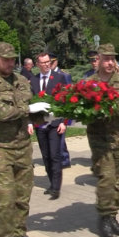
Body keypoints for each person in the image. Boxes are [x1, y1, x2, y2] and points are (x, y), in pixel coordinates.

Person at [0, 42, 50, 237]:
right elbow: (2, 113)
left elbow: (29, 110)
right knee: (4, 200)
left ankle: (18, 235)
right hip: (2, 148)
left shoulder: (21, 80)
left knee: (22, 196)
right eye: (5, 59)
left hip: (23, 147)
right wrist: (28, 109)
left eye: (12, 59)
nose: (10, 63)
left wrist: (47, 114)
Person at [86, 43, 119, 237]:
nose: (109, 62)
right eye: (105, 58)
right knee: (106, 178)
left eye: (112, 58)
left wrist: (109, 106)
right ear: (97, 60)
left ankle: (113, 214)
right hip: (99, 138)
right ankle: (104, 217)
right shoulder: (89, 82)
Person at [29, 52, 67, 200]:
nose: (46, 64)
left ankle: (56, 188)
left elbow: (66, 101)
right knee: (46, 157)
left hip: (55, 124)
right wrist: (30, 122)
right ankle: (52, 184)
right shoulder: (33, 80)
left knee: (55, 155)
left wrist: (64, 122)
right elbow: (30, 104)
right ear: (37, 64)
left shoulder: (59, 78)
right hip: (40, 125)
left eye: (48, 61)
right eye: (42, 62)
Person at [48, 53, 71, 168]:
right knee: (58, 137)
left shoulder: (64, 75)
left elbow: (68, 94)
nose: (49, 65)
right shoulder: (46, 75)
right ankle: (64, 157)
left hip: (62, 110)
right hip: (51, 110)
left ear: (56, 62)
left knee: (60, 136)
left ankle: (62, 161)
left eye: (51, 62)